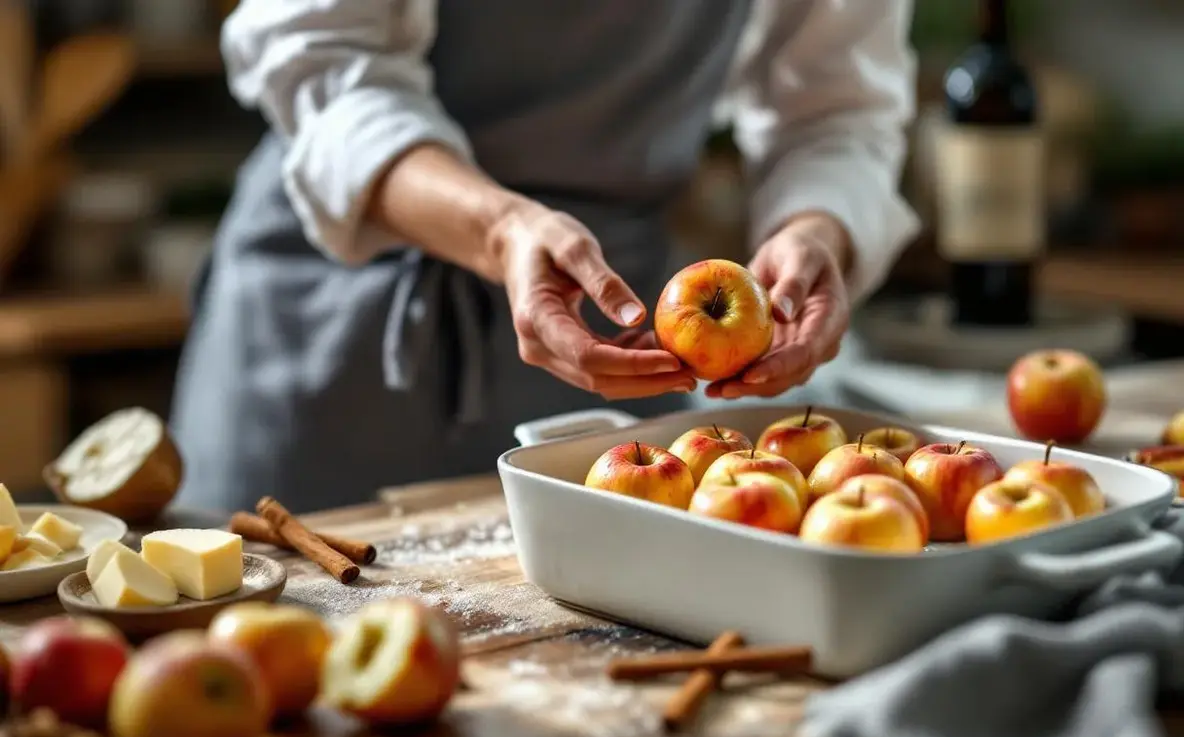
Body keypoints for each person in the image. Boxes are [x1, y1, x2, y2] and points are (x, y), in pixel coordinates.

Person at [169, 0, 920, 515]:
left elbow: (837, 110)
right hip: (338, 320)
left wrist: (817, 228)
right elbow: (321, 62)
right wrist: (499, 229)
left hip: (613, 334)